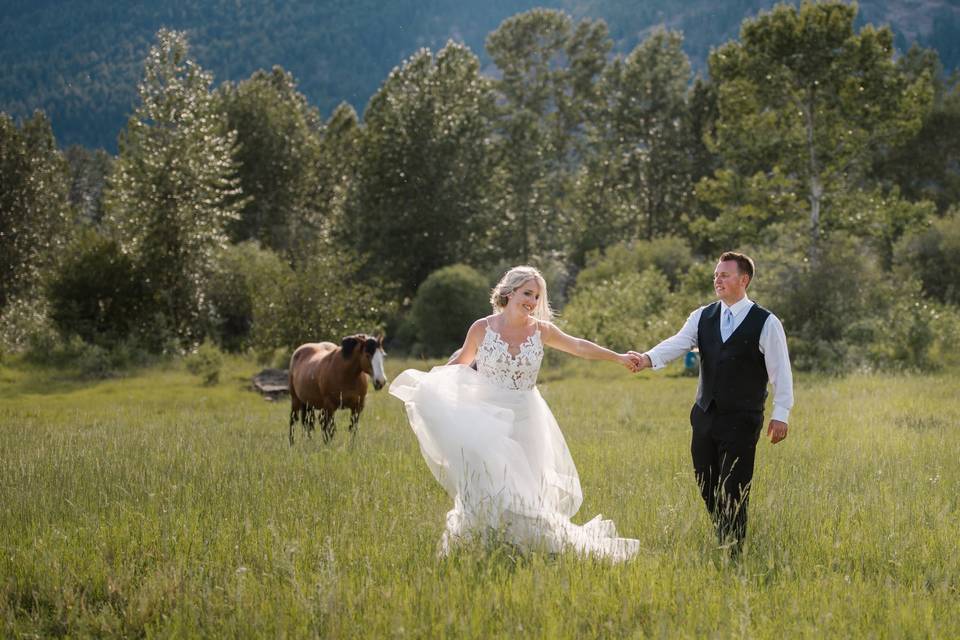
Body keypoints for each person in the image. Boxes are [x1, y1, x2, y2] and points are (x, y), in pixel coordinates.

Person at [390, 265, 641, 561]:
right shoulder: (482, 327)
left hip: (527, 418)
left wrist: (618, 357)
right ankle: (481, 547)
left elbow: (578, 346)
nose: (532, 301)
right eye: (527, 293)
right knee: (485, 484)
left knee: (527, 489)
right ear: (509, 293)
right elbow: (461, 360)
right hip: (485, 417)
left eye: (536, 296)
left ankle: (529, 549)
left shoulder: (541, 330)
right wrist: (432, 385)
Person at [630, 251, 793, 556]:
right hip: (705, 415)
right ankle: (724, 532)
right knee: (705, 481)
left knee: (734, 488)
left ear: (743, 280)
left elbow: (780, 371)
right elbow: (679, 342)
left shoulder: (766, 322)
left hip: (743, 418)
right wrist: (648, 358)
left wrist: (780, 414)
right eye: (716, 274)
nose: (717, 279)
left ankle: (734, 551)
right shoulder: (702, 316)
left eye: (725, 274)